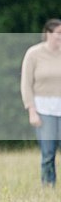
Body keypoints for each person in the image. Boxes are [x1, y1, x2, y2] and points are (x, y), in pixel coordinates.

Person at [20, 18, 61, 187]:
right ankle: (48, 186)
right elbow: (26, 83)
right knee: (48, 152)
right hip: (44, 109)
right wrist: (31, 110)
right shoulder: (34, 54)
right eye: (58, 33)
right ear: (48, 34)